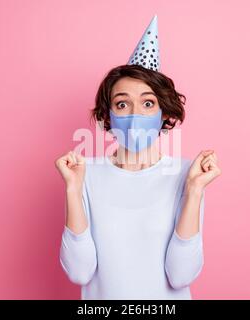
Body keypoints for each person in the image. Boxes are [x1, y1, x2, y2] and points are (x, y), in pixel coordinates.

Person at [55, 15, 221, 299]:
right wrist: (73, 188)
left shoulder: (187, 175)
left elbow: (181, 275)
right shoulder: (84, 174)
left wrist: (193, 191)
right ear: (108, 115)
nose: (134, 114)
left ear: (164, 113)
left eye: (147, 103)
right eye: (122, 104)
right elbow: (79, 272)